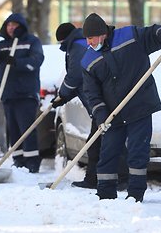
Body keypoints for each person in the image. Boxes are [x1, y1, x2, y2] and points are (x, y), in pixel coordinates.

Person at [81, 13, 161, 202]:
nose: (88, 42)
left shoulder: (129, 37)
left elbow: (153, 32)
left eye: (90, 38)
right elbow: (91, 93)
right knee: (108, 153)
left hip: (139, 106)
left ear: (101, 34)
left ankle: (135, 195)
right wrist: (101, 114)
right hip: (112, 114)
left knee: (137, 153)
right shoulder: (88, 60)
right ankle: (105, 194)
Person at [51, 22, 128, 190]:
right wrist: (62, 98)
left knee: (105, 143)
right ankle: (96, 178)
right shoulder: (77, 45)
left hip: (103, 104)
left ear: (65, 39)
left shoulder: (78, 47)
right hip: (99, 105)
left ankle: (119, 179)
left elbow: (75, 76)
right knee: (99, 143)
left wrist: (63, 93)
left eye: (60, 43)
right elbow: (79, 83)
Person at [0, 13, 44, 173]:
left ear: (21, 27)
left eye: (14, 25)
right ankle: (18, 160)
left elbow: (36, 61)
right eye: (8, 25)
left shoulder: (32, 42)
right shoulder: (2, 45)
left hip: (26, 93)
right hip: (8, 94)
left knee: (27, 129)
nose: (11, 28)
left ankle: (32, 162)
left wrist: (17, 62)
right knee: (13, 129)